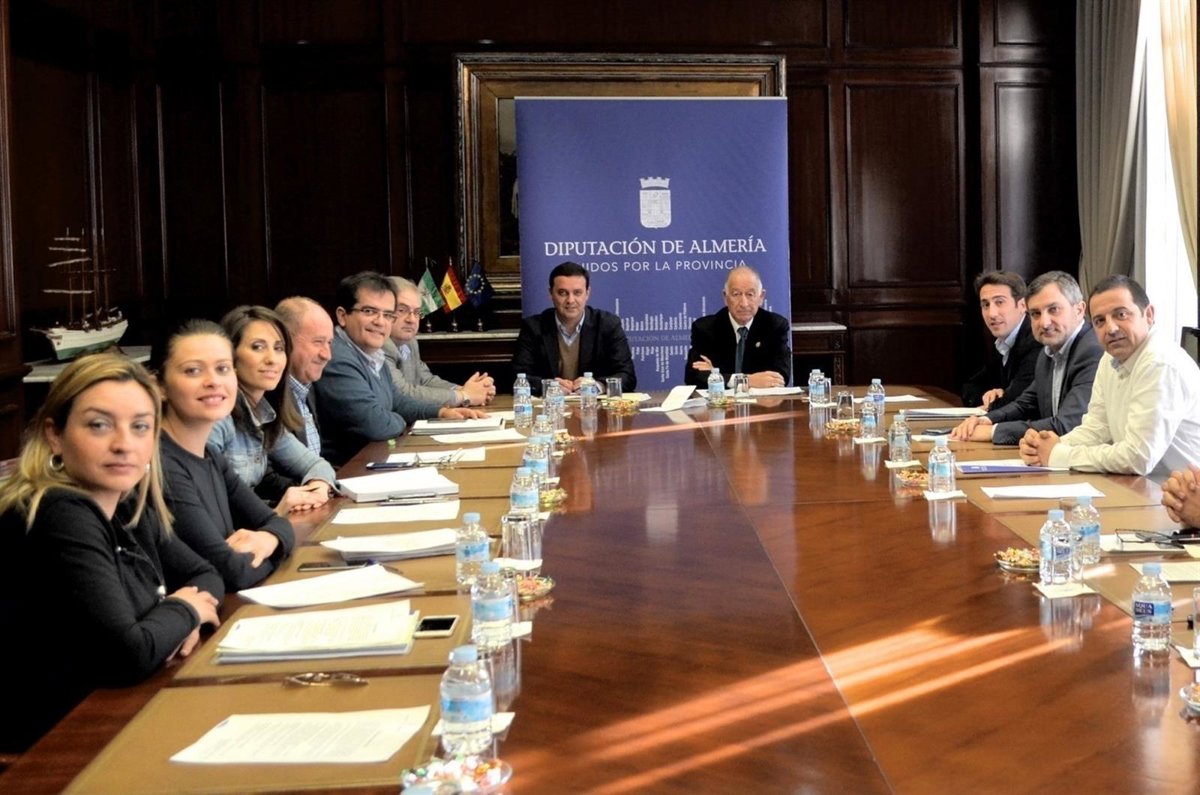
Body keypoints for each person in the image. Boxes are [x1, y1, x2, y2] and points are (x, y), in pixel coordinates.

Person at [0, 353, 222, 751]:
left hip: (117, 716)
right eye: (99, 425)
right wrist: (185, 611)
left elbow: (208, 575)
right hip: (50, 749)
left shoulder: (124, 503)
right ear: (55, 435)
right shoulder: (57, 510)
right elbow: (127, 653)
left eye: (140, 427)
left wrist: (172, 619)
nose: (123, 445)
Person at [154, 319, 296, 591]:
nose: (213, 382)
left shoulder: (210, 455)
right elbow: (232, 571)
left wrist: (270, 540)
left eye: (222, 369)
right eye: (193, 371)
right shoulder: (162, 463)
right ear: (159, 385)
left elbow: (275, 522)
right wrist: (278, 547)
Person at [1019, 275, 1200, 478]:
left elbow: (1138, 457)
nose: (1111, 328)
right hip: (1141, 487)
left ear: (1148, 315)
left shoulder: (1160, 363)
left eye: (1121, 314)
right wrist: (1047, 446)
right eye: (1100, 321)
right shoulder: (1110, 358)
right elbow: (1097, 428)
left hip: (1175, 493)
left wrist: (1058, 454)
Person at [313, 271, 486, 465]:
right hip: (345, 470)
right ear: (342, 316)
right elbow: (375, 425)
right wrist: (403, 420)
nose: (380, 321)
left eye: (388, 315)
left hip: (373, 459)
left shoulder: (370, 351)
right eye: (369, 311)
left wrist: (440, 412)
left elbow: (398, 400)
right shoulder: (336, 357)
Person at [207, 305, 337, 514]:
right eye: (258, 347)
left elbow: (317, 465)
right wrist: (279, 510)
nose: (272, 359)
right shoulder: (217, 418)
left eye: (279, 348)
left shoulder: (264, 415)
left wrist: (318, 488)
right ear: (229, 357)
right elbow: (212, 509)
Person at [949, 271, 1102, 444]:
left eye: (1053, 310)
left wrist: (993, 431)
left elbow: (1068, 425)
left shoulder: (1092, 351)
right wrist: (986, 419)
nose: (1044, 323)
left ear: (1079, 310)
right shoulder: (1048, 351)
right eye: (1035, 313)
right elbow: (1025, 404)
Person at [511, 261, 637, 395]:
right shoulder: (533, 327)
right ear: (551, 293)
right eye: (562, 293)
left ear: (587, 293)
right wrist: (548, 386)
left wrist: (597, 386)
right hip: (551, 405)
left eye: (577, 293)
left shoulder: (607, 324)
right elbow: (516, 377)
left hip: (594, 405)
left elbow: (627, 375)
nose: (570, 300)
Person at [383, 276, 496, 408]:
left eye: (417, 312)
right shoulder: (381, 345)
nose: (412, 320)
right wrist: (464, 396)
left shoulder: (410, 341)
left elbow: (425, 380)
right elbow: (403, 394)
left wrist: (467, 390)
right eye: (402, 310)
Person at [685, 265, 791, 389]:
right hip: (720, 400)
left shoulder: (774, 326)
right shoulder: (705, 329)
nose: (744, 303)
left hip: (761, 401)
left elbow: (779, 377)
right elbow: (693, 376)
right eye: (736, 294)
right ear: (725, 297)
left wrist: (717, 375)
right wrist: (748, 381)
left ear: (761, 297)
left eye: (750, 294)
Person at [961, 271, 1040, 410]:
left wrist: (996, 400)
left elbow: (1016, 400)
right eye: (986, 305)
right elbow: (970, 387)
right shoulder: (1003, 342)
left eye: (999, 302)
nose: (992, 314)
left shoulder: (1035, 341)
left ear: (1022, 305)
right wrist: (989, 396)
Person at [275, 296, 334, 456]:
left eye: (329, 343)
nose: (327, 355)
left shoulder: (308, 388)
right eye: (318, 342)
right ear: (285, 340)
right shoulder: (270, 395)